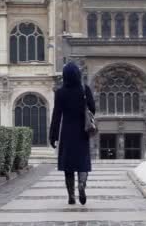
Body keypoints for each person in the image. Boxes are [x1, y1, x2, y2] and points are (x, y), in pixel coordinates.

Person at [49, 62, 96, 205]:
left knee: (68, 165)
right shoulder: (84, 89)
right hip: (82, 131)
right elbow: (92, 108)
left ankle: (71, 195)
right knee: (82, 162)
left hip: (67, 132)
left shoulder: (60, 92)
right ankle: (82, 185)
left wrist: (53, 136)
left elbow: (56, 115)